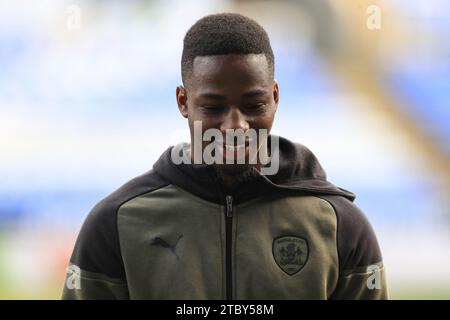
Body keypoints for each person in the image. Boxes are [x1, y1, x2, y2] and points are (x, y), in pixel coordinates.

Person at [62, 13, 388, 300]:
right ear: (183, 101)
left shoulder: (340, 226)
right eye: (214, 107)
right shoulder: (115, 224)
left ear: (274, 97)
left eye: (253, 105)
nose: (235, 125)